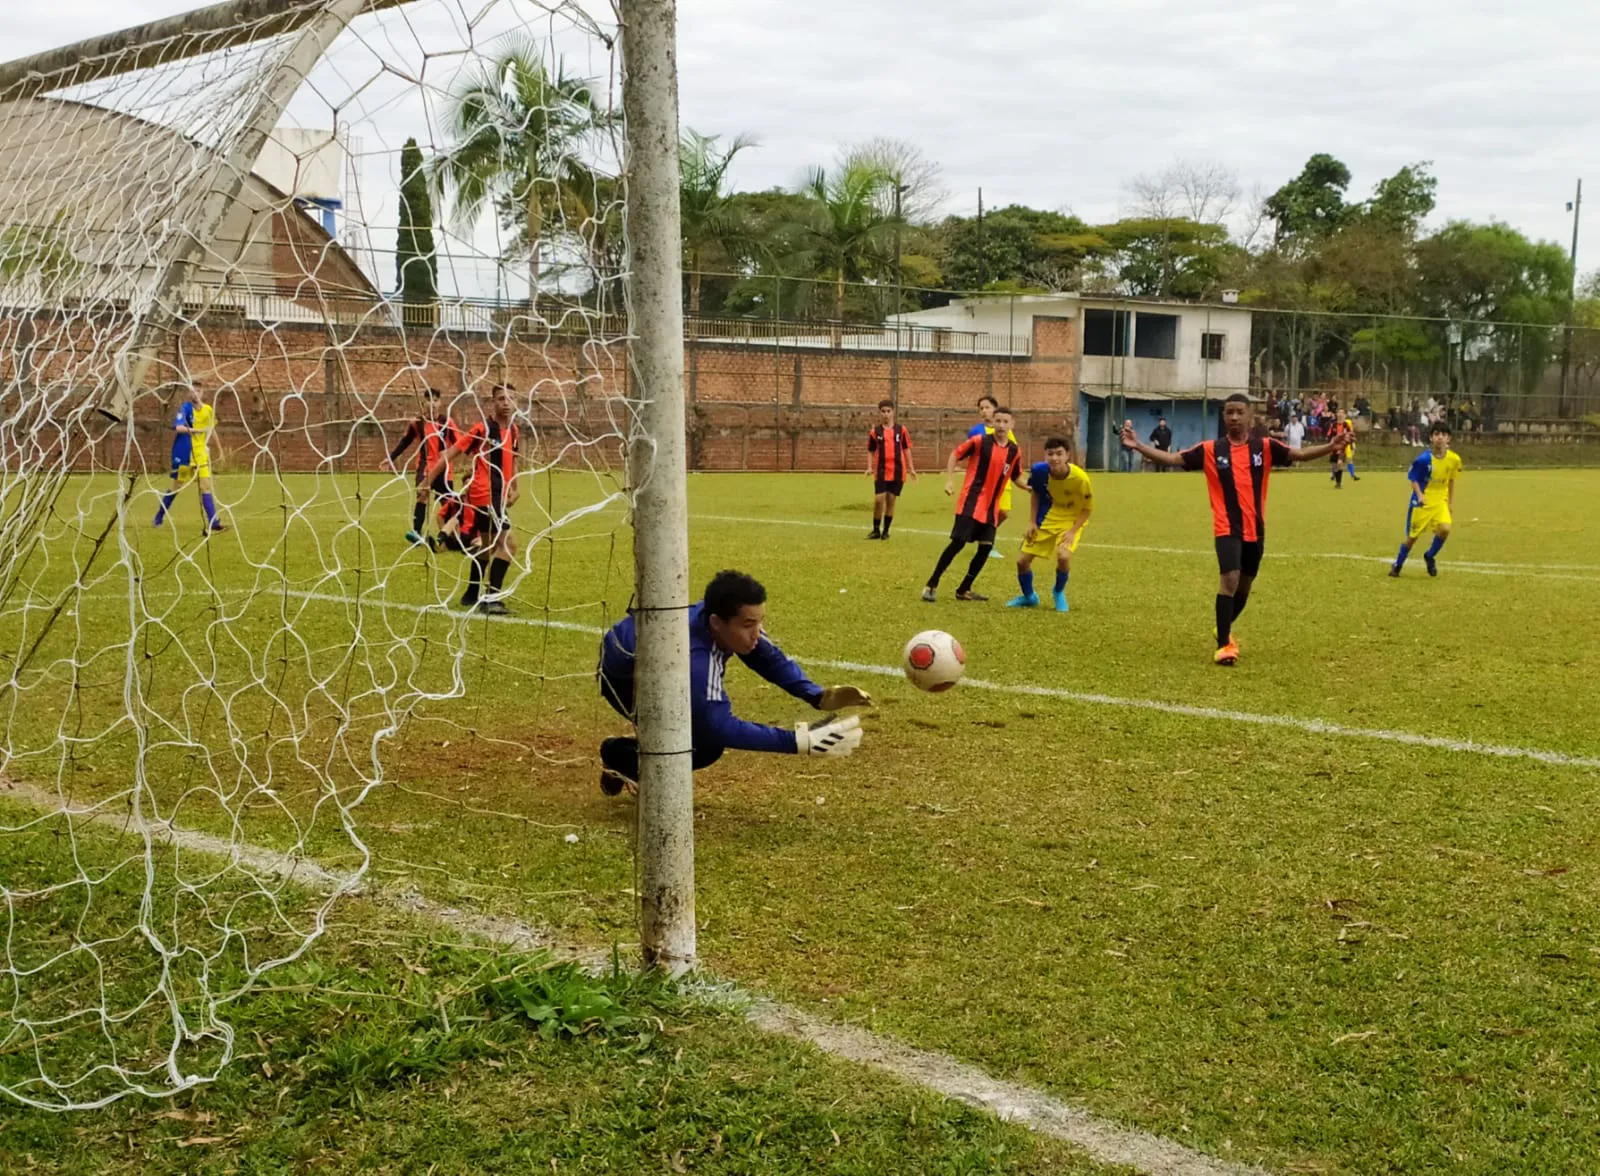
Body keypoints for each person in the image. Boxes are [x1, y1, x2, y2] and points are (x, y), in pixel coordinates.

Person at [595, 569, 871, 796]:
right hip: (624, 680)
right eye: (749, 624)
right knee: (703, 744)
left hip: (646, 660)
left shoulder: (716, 619)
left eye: (760, 622)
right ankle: (618, 756)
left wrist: (815, 695)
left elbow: (765, 656)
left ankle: (640, 751)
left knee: (690, 735)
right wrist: (801, 741)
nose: (757, 633)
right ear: (716, 623)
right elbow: (720, 727)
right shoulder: (695, 659)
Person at [1119, 393, 1345, 665]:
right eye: (1229, 413)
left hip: (1255, 529)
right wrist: (1138, 445)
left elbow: (1299, 454)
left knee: (1245, 586)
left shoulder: (1265, 447)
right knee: (1229, 579)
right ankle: (1224, 644)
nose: (1234, 417)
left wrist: (1331, 446)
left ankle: (1223, 626)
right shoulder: (1211, 450)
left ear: (1250, 416)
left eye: (1239, 412)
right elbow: (1173, 459)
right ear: (1224, 417)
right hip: (1226, 527)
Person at [425, 383, 520, 614]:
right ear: (492, 402)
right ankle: (491, 598)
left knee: (487, 547)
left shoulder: (514, 430)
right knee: (509, 545)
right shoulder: (482, 429)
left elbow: (512, 460)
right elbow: (449, 454)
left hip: (497, 495)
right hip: (484, 495)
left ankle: (471, 594)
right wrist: (426, 483)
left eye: (510, 398)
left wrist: (515, 487)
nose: (505, 403)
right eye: (500, 399)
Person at [924, 407, 1024, 603]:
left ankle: (964, 589)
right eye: (998, 421)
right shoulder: (980, 442)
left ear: (1012, 425)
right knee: (957, 544)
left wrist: (1030, 488)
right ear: (992, 423)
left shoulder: (1014, 451)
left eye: (1005, 422)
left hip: (991, 509)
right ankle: (932, 584)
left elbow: (1016, 476)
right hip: (971, 503)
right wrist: (950, 480)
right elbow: (956, 454)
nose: (1001, 425)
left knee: (986, 548)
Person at [1005, 437, 1092, 613]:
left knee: (1064, 556)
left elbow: (1087, 509)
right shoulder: (1039, 471)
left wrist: (1072, 531)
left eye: (1059, 454)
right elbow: (1035, 494)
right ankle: (1029, 597)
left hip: (1070, 520)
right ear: (1045, 455)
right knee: (1022, 561)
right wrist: (1031, 521)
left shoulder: (1080, 478)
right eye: (1050, 454)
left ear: (1068, 455)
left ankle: (1058, 592)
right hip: (1046, 518)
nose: (1054, 458)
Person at [387, 387, 460, 545]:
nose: (432, 404)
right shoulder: (417, 423)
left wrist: (448, 452)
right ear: (423, 403)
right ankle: (417, 534)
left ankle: (452, 535)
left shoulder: (447, 422)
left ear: (440, 403)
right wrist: (390, 458)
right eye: (428, 400)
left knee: (448, 503)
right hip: (424, 467)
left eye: (435, 400)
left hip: (444, 469)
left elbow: (460, 444)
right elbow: (405, 441)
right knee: (422, 495)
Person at [1389, 422, 1461, 578]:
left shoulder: (1454, 459)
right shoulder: (1423, 460)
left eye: (1443, 434)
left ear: (1448, 438)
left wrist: (1449, 503)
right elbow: (1413, 479)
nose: (1440, 438)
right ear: (1431, 437)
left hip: (1440, 500)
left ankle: (1429, 556)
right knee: (1411, 538)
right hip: (1423, 501)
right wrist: (1420, 495)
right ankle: (1398, 564)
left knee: (1445, 529)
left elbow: (1451, 480)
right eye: (1436, 434)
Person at [153, 385, 226, 533]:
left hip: (200, 455)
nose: (195, 393)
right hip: (185, 453)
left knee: (205, 486)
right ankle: (159, 516)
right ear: (188, 393)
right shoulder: (185, 409)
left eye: (198, 391)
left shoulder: (208, 410)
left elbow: (211, 431)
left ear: (202, 392)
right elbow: (178, 428)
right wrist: (195, 430)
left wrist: (220, 450)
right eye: (192, 391)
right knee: (176, 487)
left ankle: (213, 522)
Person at [971, 395, 1019, 551]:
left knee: (1004, 513)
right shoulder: (977, 431)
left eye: (987, 407)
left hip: (1004, 480)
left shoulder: (1007, 430)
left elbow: (1013, 453)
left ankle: (983, 534)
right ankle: (987, 543)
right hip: (987, 480)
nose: (984, 411)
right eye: (981, 408)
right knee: (990, 512)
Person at [865, 398, 916, 539]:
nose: (886, 414)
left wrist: (911, 468)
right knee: (879, 499)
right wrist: (869, 467)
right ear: (879, 413)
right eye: (883, 412)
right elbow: (870, 450)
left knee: (891, 499)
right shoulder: (875, 432)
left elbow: (906, 449)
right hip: (881, 470)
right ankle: (875, 530)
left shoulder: (901, 430)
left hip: (898, 470)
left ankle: (886, 531)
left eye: (888, 411)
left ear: (893, 412)